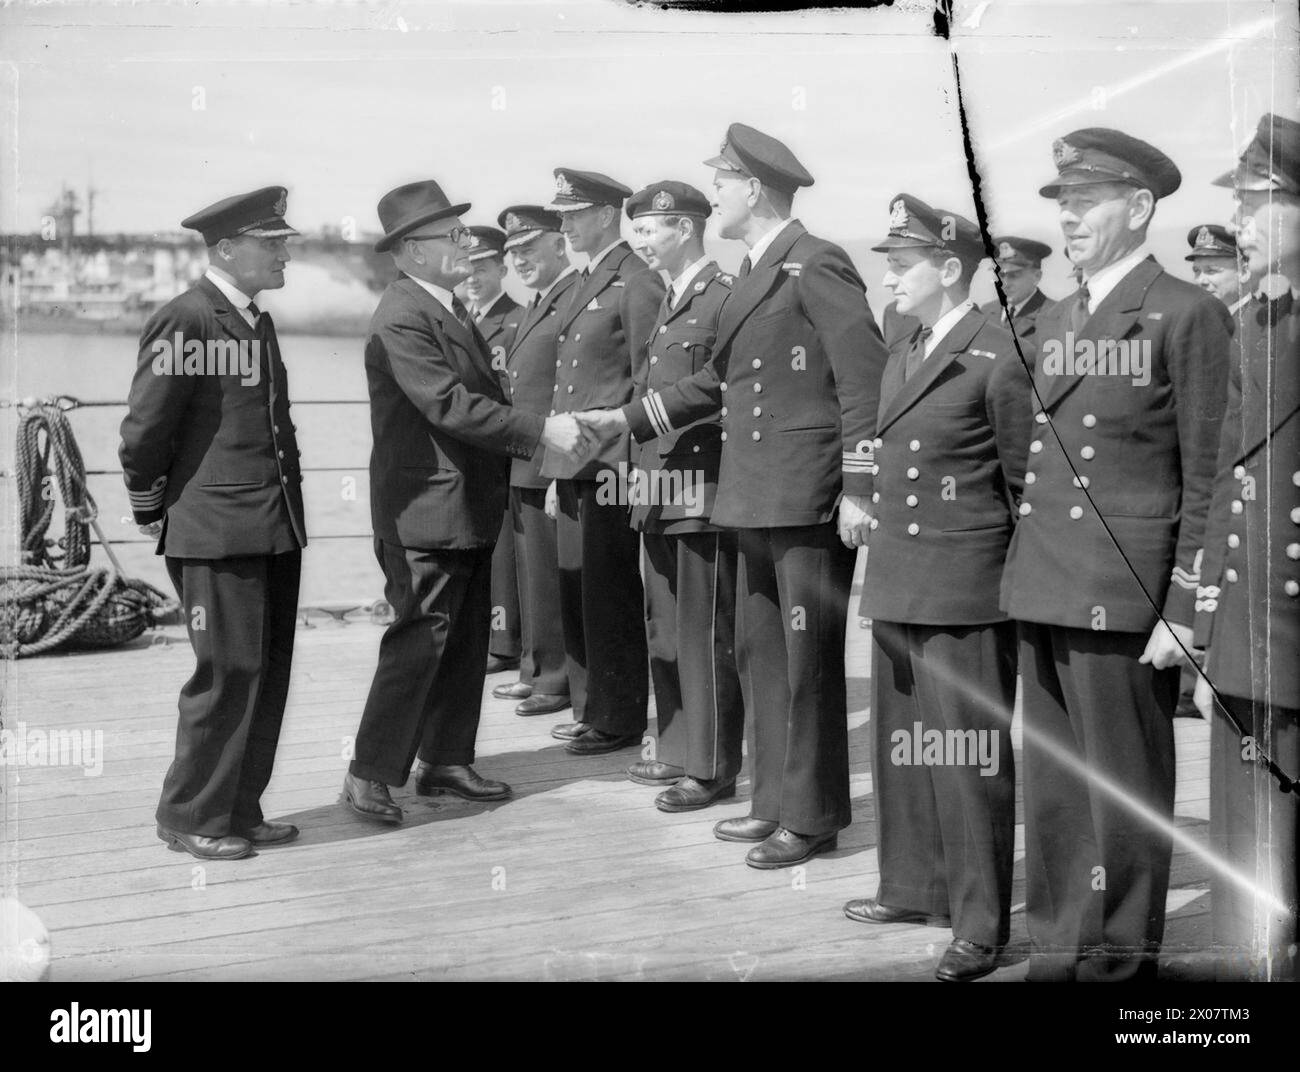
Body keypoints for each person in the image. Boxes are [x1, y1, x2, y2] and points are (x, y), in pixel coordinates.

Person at [577, 123, 888, 867]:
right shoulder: (756, 271)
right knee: (761, 655)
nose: (714, 193)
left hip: (807, 496)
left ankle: (813, 817)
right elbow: (714, 382)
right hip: (751, 496)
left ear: (753, 189)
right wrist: (620, 420)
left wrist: (859, 487)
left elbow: (863, 377)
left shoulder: (814, 263)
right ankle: (775, 801)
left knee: (808, 663)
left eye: (721, 182)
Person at [1001, 128, 1232, 980]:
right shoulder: (1057, 314)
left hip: (1123, 592)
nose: (1068, 218)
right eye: (1062, 203)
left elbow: (1208, 473)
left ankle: (1121, 962)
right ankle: (1057, 949)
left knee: (1124, 791)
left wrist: (1185, 608)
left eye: (1086, 202)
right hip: (1045, 580)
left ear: (1138, 209)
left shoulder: (1186, 312)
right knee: (1057, 789)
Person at [341, 180, 592, 824]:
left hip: (465, 505)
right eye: (451, 236)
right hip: (425, 508)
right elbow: (446, 404)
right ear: (412, 250)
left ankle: (446, 760)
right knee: (419, 639)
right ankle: (369, 772)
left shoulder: (443, 306)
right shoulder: (403, 313)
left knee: (463, 639)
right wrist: (540, 432)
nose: (465, 245)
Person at [843, 195, 1031, 982]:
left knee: (967, 758)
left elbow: (1027, 486)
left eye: (900, 262)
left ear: (949, 270)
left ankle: (980, 921)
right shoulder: (905, 347)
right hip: (895, 580)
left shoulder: (998, 352)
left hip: (966, 589)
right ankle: (912, 884)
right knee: (904, 748)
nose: (887, 274)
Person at [120, 186, 306, 860]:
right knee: (225, 672)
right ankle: (190, 814)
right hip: (217, 530)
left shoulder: (254, 319)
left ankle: (237, 807)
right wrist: (149, 504)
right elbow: (146, 430)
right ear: (228, 248)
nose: (285, 252)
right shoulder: (189, 319)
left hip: (272, 525)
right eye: (272, 241)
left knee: (265, 670)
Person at [1194, 112, 1300, 981]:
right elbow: (1230, 472)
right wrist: (1207, 611)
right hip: (1250, 627)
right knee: (1244, 841)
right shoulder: (1255, 324)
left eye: (1261, 202)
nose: (1243, 222)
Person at [620, 180, 744, 812]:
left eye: (650, 229)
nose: (639, 241)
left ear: (687, 228)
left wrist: (635, 425)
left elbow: (720, 386)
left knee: (704, 632)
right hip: (658, 488)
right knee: (664, 626)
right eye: (636, 229)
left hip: (701, 488)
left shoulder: (722, 299)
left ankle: (713, 765)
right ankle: (675, 744)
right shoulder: (669, 299)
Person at [540, 169, 665, 756]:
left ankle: (617, 717)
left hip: (612, 464)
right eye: (562, 215)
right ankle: (592, 706)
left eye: (574, 213)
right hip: (575, 463)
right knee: (579, 589)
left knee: (610, 590)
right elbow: (568, 383)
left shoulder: (635, 281)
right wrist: (553, 470)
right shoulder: (583, 280)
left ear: (608, 214)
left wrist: (640, 464)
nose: (564, 225)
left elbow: (646, 379)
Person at [490, 205, 580, 717]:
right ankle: (535, 667)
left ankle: (557, 678)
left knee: (553, 576)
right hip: (524, 457)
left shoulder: (571, 298)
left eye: (527, 248)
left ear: (557, 244)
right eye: (512, 253)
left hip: (552, 459)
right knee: (532, 578)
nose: (518, 260)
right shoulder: (536, 304)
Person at [461, 226, 528, 679]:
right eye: (466, 268)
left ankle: (505, 644)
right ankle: (491, 636)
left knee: (506, 551)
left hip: (503, 449)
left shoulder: (517, 320)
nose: (471, 276)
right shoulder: (461, 319)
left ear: (502, 269)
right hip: (470, 450)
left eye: (481, 267)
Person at [980, 235, 1054, 342]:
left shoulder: (1055, 314)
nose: (1005, 283)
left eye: (1014, 275)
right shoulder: (987, 311)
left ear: (1037, 276)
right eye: (1001, 275)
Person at [1185, 223, 1253, 316]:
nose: (1200, 281)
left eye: (1211, 270)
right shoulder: (1198, 321)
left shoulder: (1267, 324)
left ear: (1244, 273)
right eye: (1197, 271)